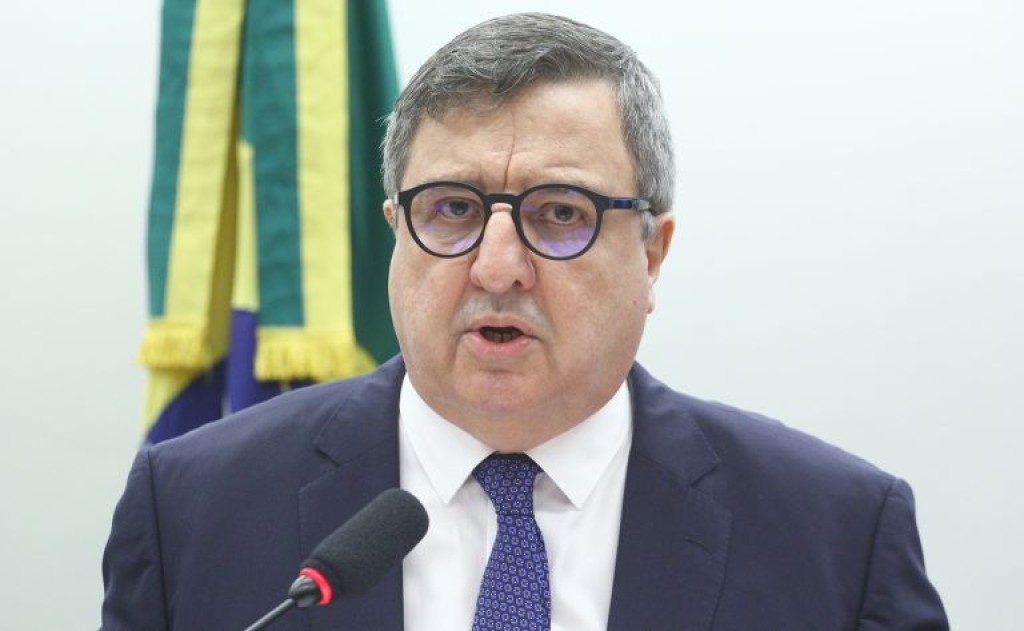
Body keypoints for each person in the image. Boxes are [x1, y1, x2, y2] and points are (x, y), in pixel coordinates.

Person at [101, 12, 948, 630]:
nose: (496, 266)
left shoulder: (836, 536)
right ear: (395, 232)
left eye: (559, 214)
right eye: (452, 208)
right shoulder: (193, 511)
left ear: (652, 255)